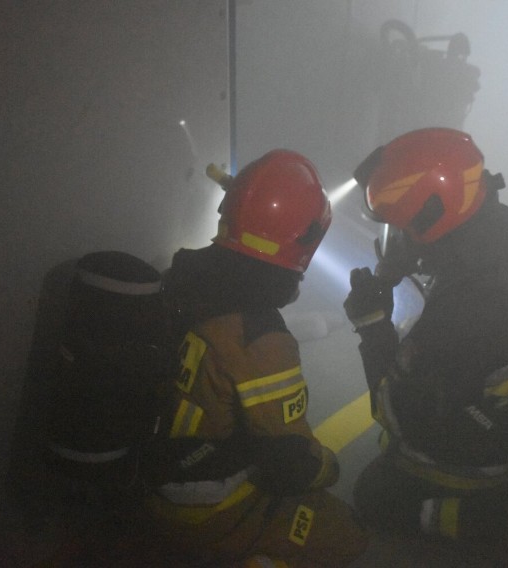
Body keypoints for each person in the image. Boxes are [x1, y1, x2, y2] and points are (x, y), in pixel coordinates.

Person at [342, 128, 508, 564]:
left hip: (474, 461)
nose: (396, 241)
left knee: (373, 495)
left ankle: (484, 518)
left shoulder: (468, 310)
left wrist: (372, 326)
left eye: (402, 227)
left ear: (433, 216)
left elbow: (394, 412)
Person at [141, 149, 369, 567]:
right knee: (346, 534)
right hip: (204, 507)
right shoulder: (262, 338)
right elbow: (289, 464)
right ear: (303, 241)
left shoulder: (179, 282)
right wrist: (329, 470)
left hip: (148, 479)